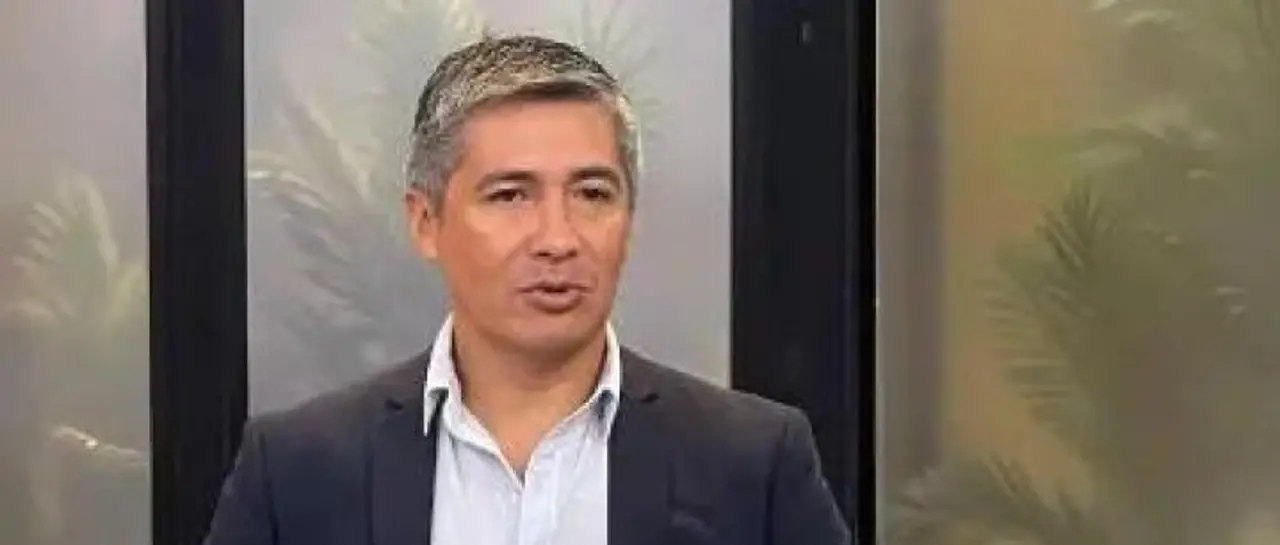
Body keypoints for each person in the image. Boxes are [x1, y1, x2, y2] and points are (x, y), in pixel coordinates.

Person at [203, 34, 851, 545]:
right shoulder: (296, 472)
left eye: (592, 194)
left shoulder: (753, 464)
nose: (557, 239)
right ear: (426, 222)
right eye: (511, 195)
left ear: (630, 220)